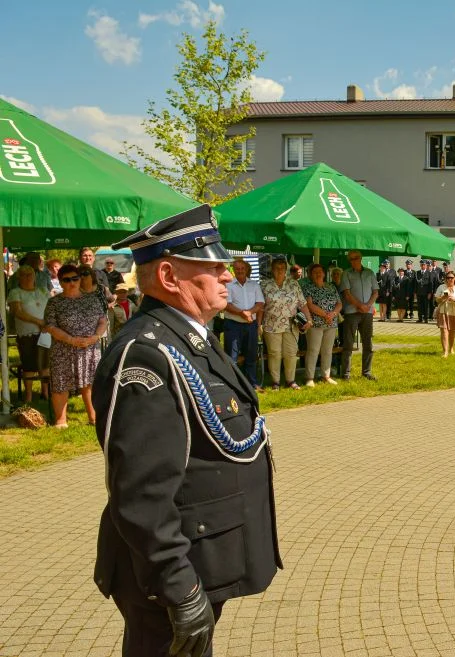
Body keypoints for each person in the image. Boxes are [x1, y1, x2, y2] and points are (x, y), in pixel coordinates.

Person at [92, 204, 281, 657]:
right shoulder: (145, 352)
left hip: (199, 555)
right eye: (212, 266)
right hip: (172, 571)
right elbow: (141, 489)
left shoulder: (186, 335)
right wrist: (178, 585)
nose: (226, 274)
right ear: (170, 276)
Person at [43, 264, 107, 428]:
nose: (72, 282)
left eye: (75, 278)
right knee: (60, 383)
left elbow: (102, 320)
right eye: (67, 279)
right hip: (63, 349)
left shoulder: (92, 299)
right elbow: (50, 326)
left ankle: (94, 418)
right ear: (60, 281)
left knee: (90, 383)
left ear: (80, 279)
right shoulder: (54, 302)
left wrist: (95, 337)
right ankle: (61, 420)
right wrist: (71, 340)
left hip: (90, 347)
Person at [259, 258, 312, 390]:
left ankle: (290, 380)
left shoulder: (293, 284)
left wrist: (309, 319)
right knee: (274, 353)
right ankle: (275, 382)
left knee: (290, 353)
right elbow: (260, 306)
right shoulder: (264, 285)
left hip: (291, 325)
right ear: (272, 269)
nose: (280, 270)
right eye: (277, 267)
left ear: (286, 269)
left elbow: (303, 303)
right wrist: (258, 324)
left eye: (282, 267)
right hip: (271, 325)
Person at [7, 265, 50, 402]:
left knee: (45, 363)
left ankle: (46, 393)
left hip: (45, 332)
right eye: (24, 275)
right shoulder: (15, 292)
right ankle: (29, 396)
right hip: (27, 334)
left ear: (34, 276)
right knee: (29, 363)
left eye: (30, 274)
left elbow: (51, 308)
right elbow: (17, 312)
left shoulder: (43, 290)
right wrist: (38, 321)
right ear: (18, 277)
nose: (27, 277)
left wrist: (47, 323)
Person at [224, 259, 265, 391]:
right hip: (233, 325)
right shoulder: (228, 285)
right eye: (237, 268)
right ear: (233, 270)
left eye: (242, 268)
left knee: (251, 355)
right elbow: (227, 305)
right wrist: (242, 313)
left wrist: (249, 313)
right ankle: (234, 385)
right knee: (232, 356)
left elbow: (260, 303)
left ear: (247, 269)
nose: (240, 270)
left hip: (250, 325)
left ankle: (252, 383)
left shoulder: (254, 285)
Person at [338, 250, 379, 381]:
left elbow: (375, 292)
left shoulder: (370, 273)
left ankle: (366, 372)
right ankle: (346, 374)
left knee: (368, 343)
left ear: (360, 258)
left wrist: (367, 305)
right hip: (351, 313)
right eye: (350, 259)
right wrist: (360, 305)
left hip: (367, 313)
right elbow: (346, 293)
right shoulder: (346, 273)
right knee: (348, 344)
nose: (353, 261)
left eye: (355, 258)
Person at [302, 263, 342, 386]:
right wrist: (326, 315)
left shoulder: (331, 287)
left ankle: (326, 375)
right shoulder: (308, 287)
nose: (318, 274)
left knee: (327, 350)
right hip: (315, 324)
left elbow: (339, 303)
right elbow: (309, 305)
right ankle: (309, 378)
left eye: (320, 271)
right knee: (313, 350)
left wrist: (333, 314)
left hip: (331, 324)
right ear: (311, 275)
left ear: (324, 274)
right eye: (315, 272)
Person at [434, 270, 455, 357]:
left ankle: (451, 348)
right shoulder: (441, 287)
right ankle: (445, 351)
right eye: (448, 278)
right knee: (444, 330)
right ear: (445, 279)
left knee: (452, 331)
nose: (449, 279)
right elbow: (437, 300)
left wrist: (454, 300)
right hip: (443, 310)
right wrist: (443, 297)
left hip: (454, 311)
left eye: (451, 278)